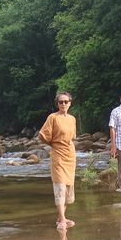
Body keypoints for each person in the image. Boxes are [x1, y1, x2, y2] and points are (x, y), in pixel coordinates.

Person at [38, 91, 78, 231]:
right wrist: (52, 144)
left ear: (70, 103)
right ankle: (62, 220)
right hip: (58, 155)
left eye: (66, 101)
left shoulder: (72, 119)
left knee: (67, 187)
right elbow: (42, 135)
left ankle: (61, 218)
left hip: (70, 155)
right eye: (60, 102)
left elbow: (72, 137)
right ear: (57, 104)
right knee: (60, 186)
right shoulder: (53, 117)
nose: (63, 104)